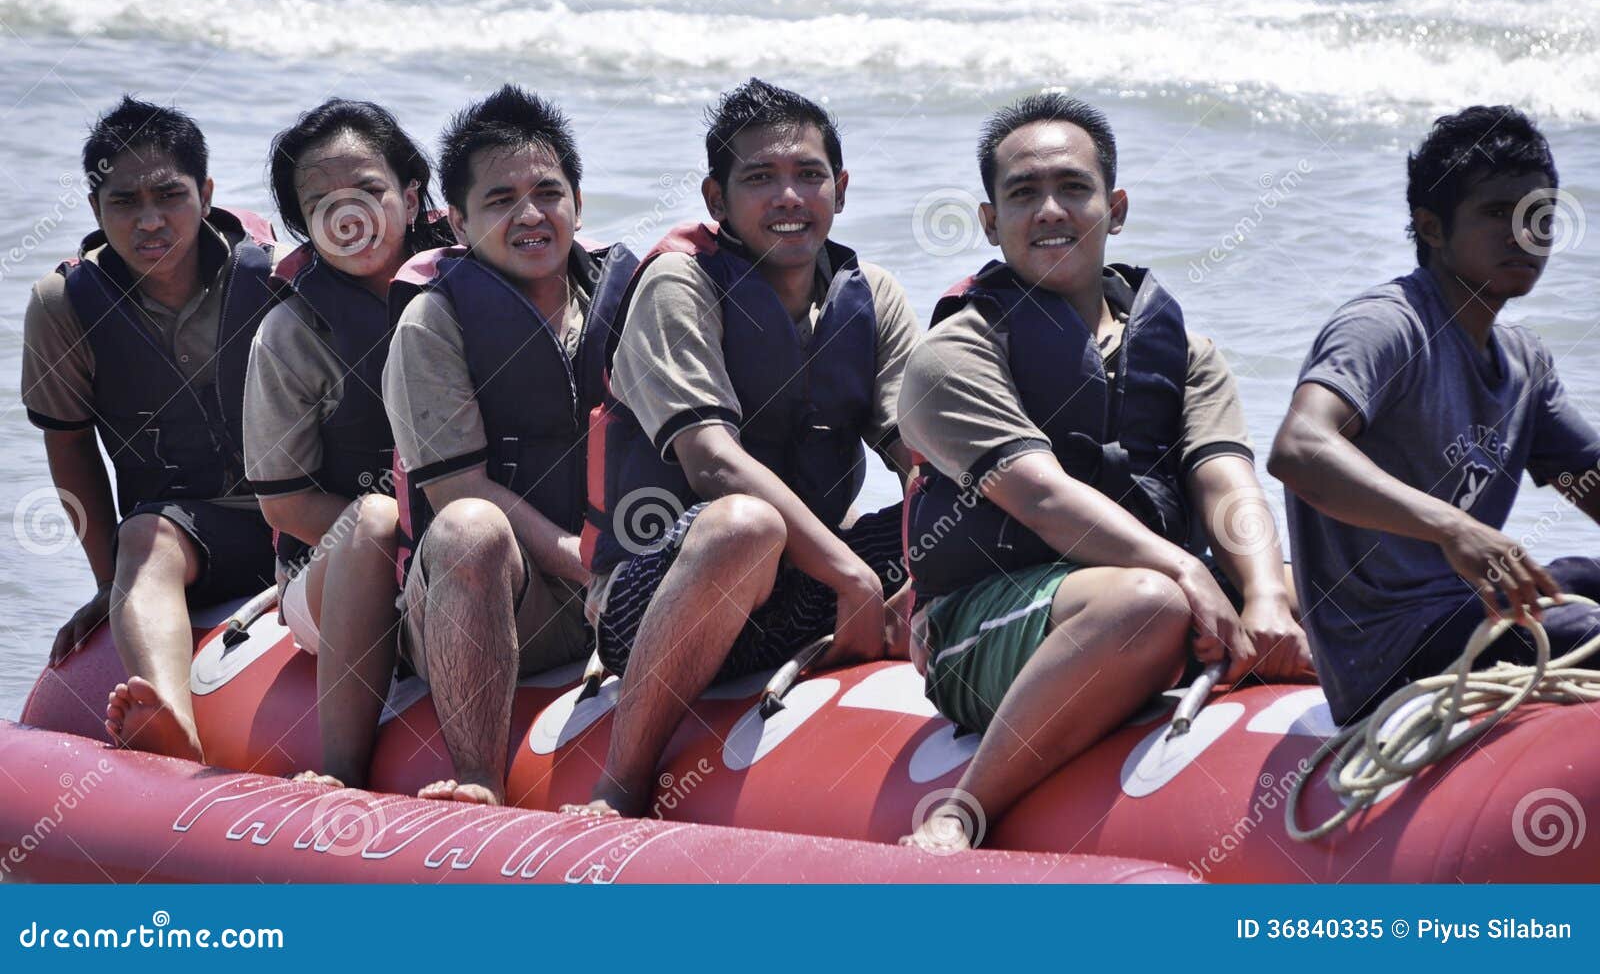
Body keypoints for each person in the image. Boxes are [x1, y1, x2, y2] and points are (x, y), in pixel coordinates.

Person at [898, 93, 1311, 852]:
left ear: (1114, 207)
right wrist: (1190, 572)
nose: (1051, 209)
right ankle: (965, 808)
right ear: (989, 222)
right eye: (1023, 193)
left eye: (1074, 189)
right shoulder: (952, 356)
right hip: (984, 621)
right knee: (1147, 602)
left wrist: (1262, 595)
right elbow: (1044, 498)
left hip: (1148, 581)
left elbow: (1227, 480)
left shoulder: (1183, 349)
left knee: (1329, 579)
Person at [571, 78, 919, 818]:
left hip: (807, 587)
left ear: (842, 188)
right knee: (742, 523)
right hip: (662, 591)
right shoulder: (678, 283)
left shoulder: (872, 292)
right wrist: (856, 578)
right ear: (716, 199)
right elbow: (711, 460)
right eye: (760, 179)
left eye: (809, 176)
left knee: (978, 502)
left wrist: (937, 557)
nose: (789, 196)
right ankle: (621, 783)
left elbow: (925, 453)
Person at [1269, 105, 1600, 726]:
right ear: (1432, 228)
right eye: (1498, 213)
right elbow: (1299, 448)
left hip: (1471, 611)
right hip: (1391, 651)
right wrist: (1453, 528)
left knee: (1586, 577)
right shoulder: (1387, 326)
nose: (1525, 234)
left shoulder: (1524, 361)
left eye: (1541, 216)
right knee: (1583, 626)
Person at [381, 85, 637, 805]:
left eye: (547, 192)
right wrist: (593, 571)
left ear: (578, 202)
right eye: (500, 200)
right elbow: (457, 492)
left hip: (611, 583)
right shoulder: (431, 325)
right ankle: (476, 780)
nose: (530, 215)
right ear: (457, 222)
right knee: (470, 529)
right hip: (489, 594)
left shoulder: (629, 300)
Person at [22, 96, 279, 762]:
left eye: (170, 195)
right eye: (124, 201)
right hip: (181, 535)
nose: (149, 220)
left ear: (208, 193)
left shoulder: (276, 276)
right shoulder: (63, 305)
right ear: (94, 210)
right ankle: (173, 726)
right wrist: (112, 582)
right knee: (148, 533)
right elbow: (70, 448)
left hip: (297, 521)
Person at [243, 99, 453, 788]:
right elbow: (285, 504)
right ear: (303, 224)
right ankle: (340, 773)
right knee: (374, 516)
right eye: (322, 202)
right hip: (331, 573)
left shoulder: (477, 284)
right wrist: (398, 551)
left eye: (368, 190)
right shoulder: (289, 335)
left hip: (464, 554)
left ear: (412, 194)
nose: (349, 215)